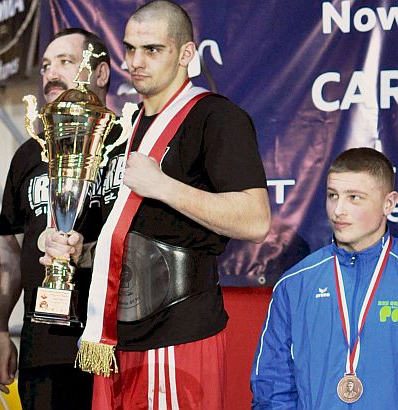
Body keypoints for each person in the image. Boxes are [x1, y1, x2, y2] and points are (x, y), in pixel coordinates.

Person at [42, 1, 271, 408]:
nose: (136, 61)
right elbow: (134, 234)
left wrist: (163, 186)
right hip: (114, 342)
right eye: (130, 49)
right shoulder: (126, 129)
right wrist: (82, 253)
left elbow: (255, 220)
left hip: (177, 335)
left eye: (152, 49)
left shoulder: (216, 117)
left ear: (186, 54)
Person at [0, 28, 115, 410]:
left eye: (65, 61)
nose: (51, 74)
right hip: (42, 347)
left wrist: (87, 253)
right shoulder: (29, 152)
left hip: (111, 345)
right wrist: (0, 327)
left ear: (101, 73)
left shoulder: (127, 143)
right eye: (46, 66)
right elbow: (10, 249)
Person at [251, 147, 398, 408]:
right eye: (332, 196)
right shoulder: (295, 283)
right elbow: (273, 386)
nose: (338, 210)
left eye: (354, 197)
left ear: (389, 203)